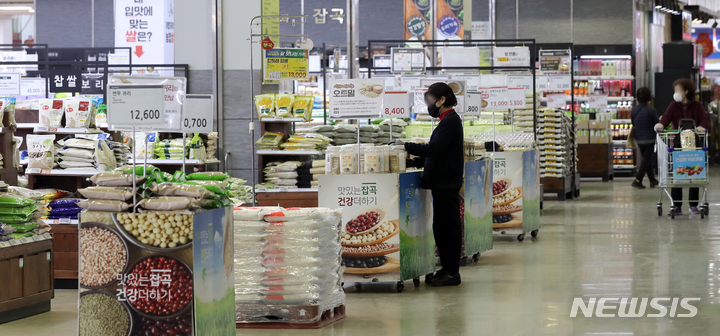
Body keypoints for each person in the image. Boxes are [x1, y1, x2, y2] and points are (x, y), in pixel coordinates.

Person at [404, 83, 464, 287]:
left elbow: (435, 148)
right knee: (442, 227)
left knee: (448, 228)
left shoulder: (451, 121)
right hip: (443, 181)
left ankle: (452, 272)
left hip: (446, 182)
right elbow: (440, 153)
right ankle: (447, 268)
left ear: (442, 100)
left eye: (430, 99)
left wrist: (406, 146)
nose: (429, 104)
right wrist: (415, 162)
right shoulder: (446, 120)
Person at [654, 78, 710, 215]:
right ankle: (677, 205)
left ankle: (693, 204)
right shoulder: (673, 106)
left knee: (695, 173)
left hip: (694, 144)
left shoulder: (697, 106)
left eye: (677, 90)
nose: (675, 93)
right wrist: (660, 124)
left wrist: (702, 127)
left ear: (685, 92)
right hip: (678, 145)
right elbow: (666, 118)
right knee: (677, 175)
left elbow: (704, 119)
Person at [631, 87, 659, 189]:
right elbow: (657, 124)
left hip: (639, 138)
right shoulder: (651, 110)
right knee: (646, 160)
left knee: (646, 160)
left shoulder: (634, 110)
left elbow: (633, 123)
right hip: (650, 139)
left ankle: (652, 180)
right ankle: (638, 180)